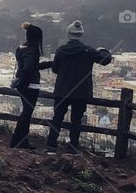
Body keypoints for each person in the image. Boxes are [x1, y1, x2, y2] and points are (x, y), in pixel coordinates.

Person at [45, 20, 112, 155]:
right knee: (76, 120)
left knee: (57, 117)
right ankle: (73, 147)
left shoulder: (61, 50)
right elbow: (106, 60)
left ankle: (51, 146)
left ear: (68, 34)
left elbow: (55, 69)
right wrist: (102, 50)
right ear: (81, 34)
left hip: (62, 90)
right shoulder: (88, 51)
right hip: (81, 91)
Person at [10, 22, 52, 150]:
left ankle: (18, 140)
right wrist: (26, 80)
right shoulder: (32, 50)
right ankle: (20, 141)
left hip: (22, 84)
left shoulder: (21, 48)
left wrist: (49, 64)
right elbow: (29, 68)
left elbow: (29, 66)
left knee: (26, 112)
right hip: (30, 85)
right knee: (27, 113)